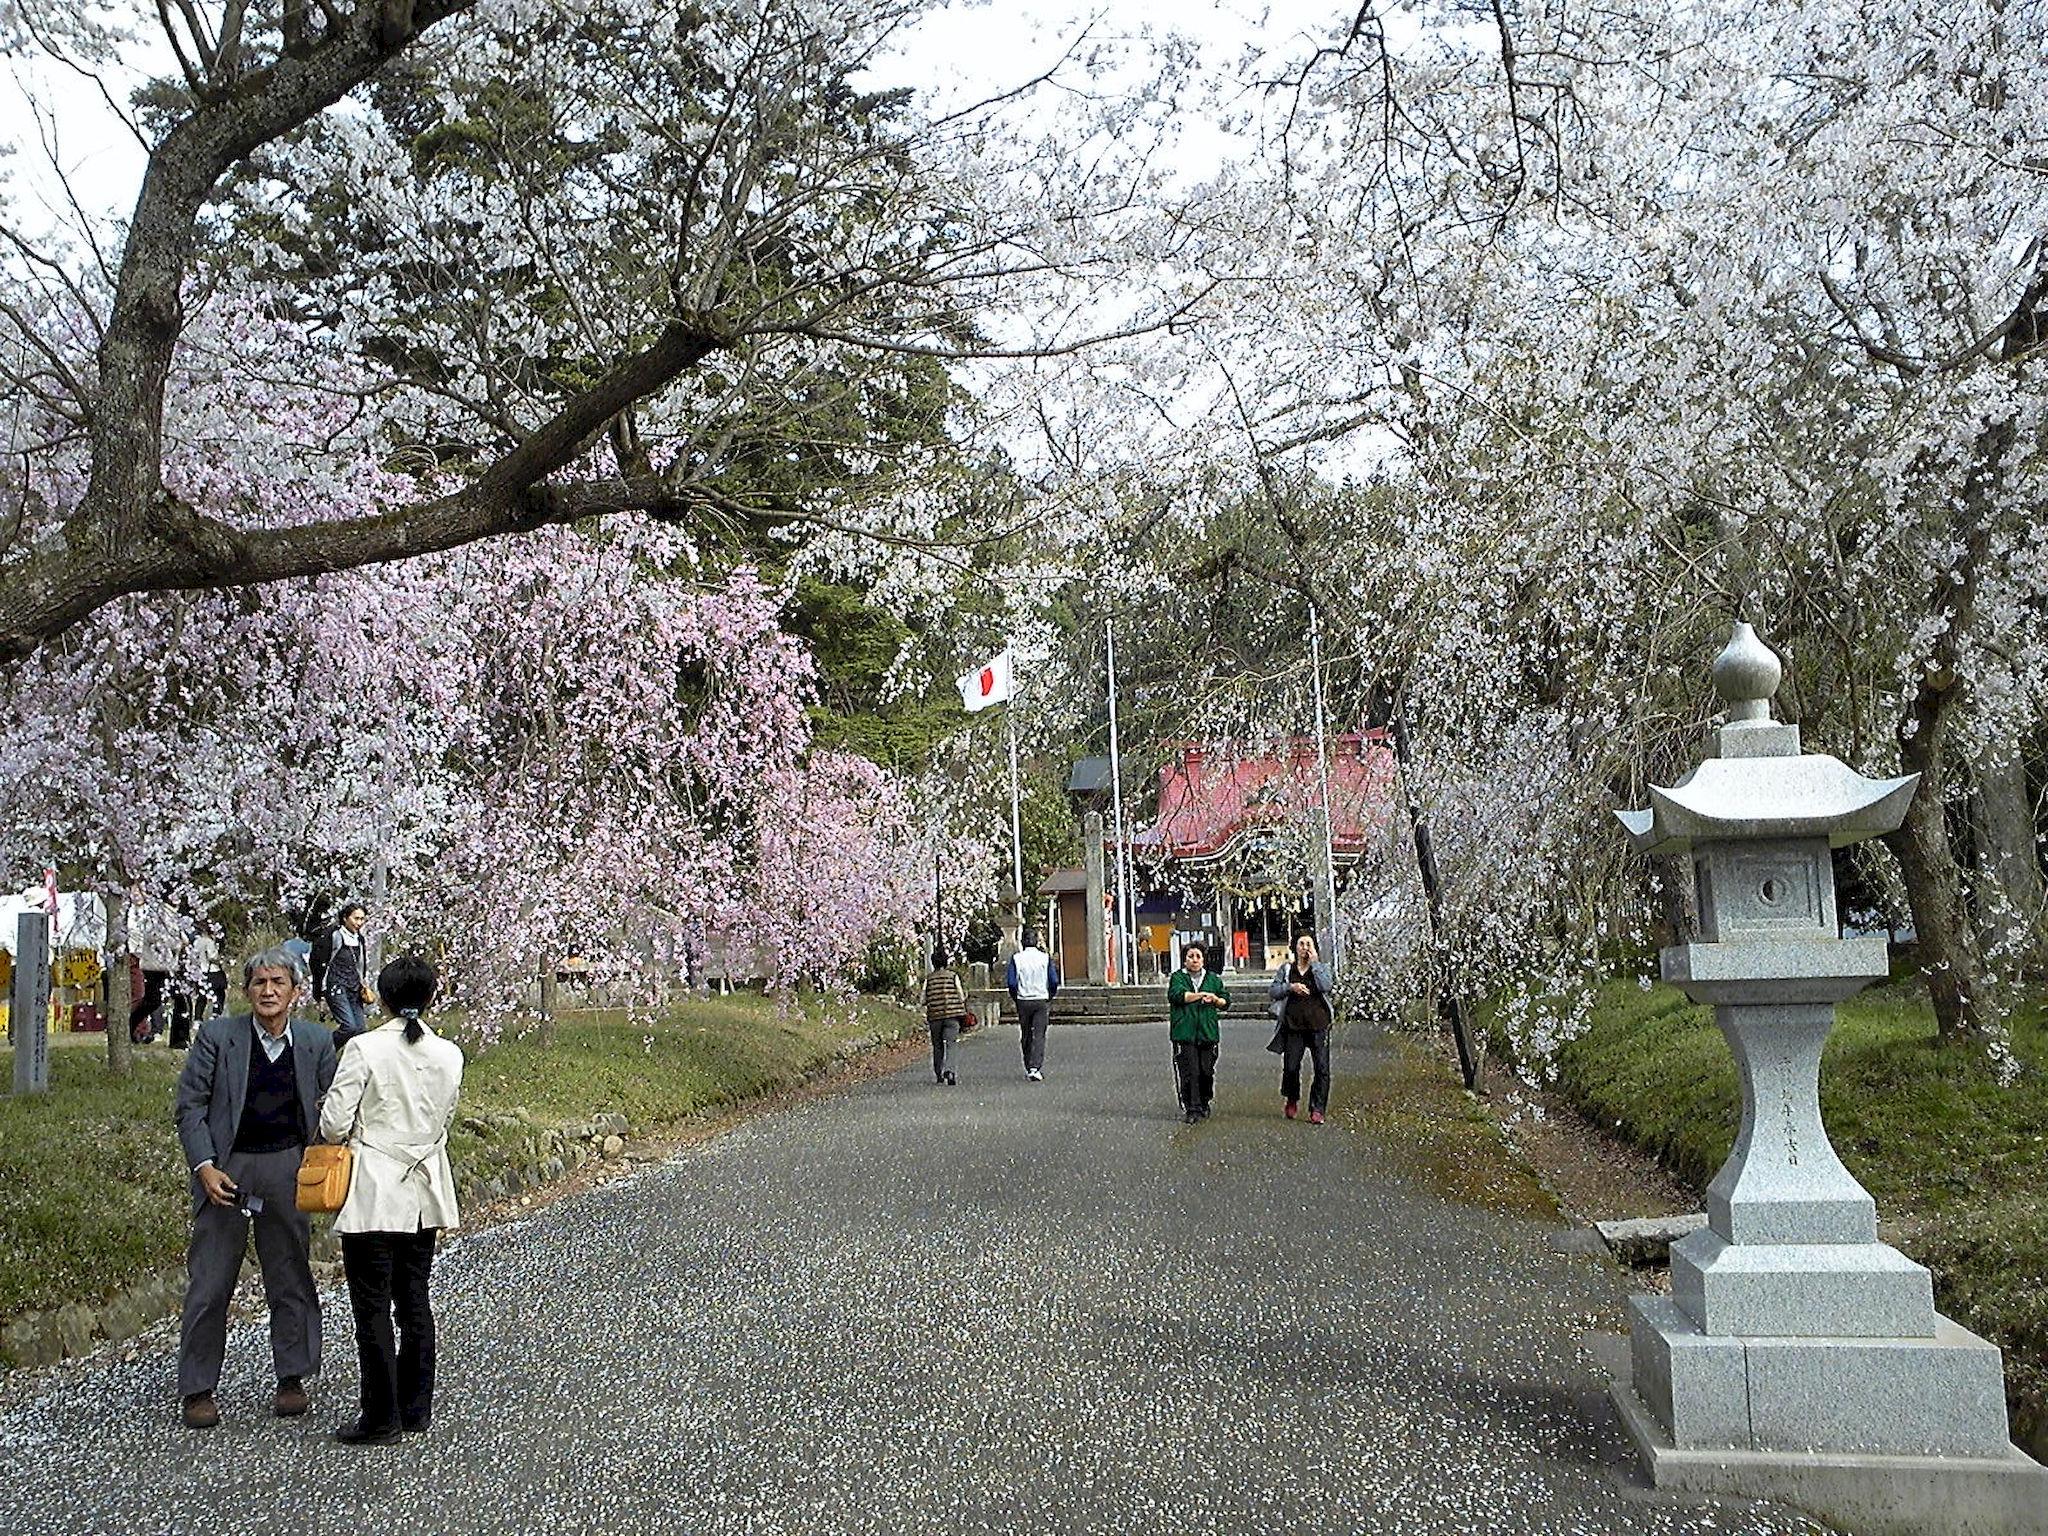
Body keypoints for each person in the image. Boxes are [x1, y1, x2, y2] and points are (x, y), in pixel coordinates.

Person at [173, 947, 339, 1430]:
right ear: (247, 991)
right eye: (260, 983)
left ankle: (292, 1376)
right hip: (227, 1166)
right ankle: (198, 1387)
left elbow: (332, 1107)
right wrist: (204, 1166)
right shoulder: (218, 1036)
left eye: (278, 983)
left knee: (289, 1275)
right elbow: (190, 1107)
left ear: (295, 992)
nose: (269, 991)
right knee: (210, 1279)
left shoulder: (314, 1041)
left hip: (288, 1165)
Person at [319, 954, 465, 1445]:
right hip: (423, 1186)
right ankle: (416, 1407)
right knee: (415, 1299)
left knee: (372, 1304)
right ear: (431, 998)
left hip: (374, 1189)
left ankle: (380, 1416)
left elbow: (334, 1123)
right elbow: (443, 1120)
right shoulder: (450, 1054)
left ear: (380, 998)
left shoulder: (363, 1048)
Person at [1269, 933, 1336, 1125]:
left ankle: (1317, 1108)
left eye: (1309, 943)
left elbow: (1326, 986)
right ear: (1295, 947)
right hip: (1293, 1025)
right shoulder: (1287, 969)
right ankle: (1292, 1097)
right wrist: (1291, 987)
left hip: (1318, 1025)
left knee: (1322, 1068)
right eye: (1301, 943)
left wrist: (1315, 964)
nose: (1305, 947)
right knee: (1291, 1067)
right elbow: (1273, 991)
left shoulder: (1322, 968)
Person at [1167, 943, 1230, 1124]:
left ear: (1203, 959)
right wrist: (1201, 995)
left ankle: (1204, 1100)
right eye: (1190, 956)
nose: (1194, 960)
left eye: (1198, 956)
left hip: (1207, 1032)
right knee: (1189, 1071)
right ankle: (1192, 1107)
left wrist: (1216, 999)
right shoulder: (1178, 977)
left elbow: (1225, 1000)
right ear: (1185, 959)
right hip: (1185, 1032)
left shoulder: (1213, 979)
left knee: (1206, 1071)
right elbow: (1177, 995)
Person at [1006, 927, 1061, 1081]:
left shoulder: (1017, 958)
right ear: (1036, 941)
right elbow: (1054, 980)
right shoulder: (1044, 958)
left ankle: (1027, 1061)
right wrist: (1050, 994)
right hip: (1041, 998)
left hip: (1023, 999)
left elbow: (1011, 982)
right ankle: (1035, 1067)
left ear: (1022, 941)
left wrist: (1015, 996)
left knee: (1025, 1033)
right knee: (1039, 1034)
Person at [323, 900, 374, 1050]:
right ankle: (325, 1050)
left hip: (354, 987)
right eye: (356, 918)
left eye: (362, 919)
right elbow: (324, 961)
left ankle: (352, 1061)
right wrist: (321, 988)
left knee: (360, 1031)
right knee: (349, 1027)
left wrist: (363, 983)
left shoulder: (360, 939)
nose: (359, 923)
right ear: (345, 918)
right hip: (337, 985)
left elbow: (360, 964)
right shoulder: (335, 936)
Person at [922, 949, 968, 1086]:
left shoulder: (929, 978)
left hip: (935, 1016)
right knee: (951, 1044)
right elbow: (961, 995)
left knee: (937, 1045)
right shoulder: (953, 976)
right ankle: (950, 1070)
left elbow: (922, 999)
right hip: (952, 1016)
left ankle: (939, 1073)